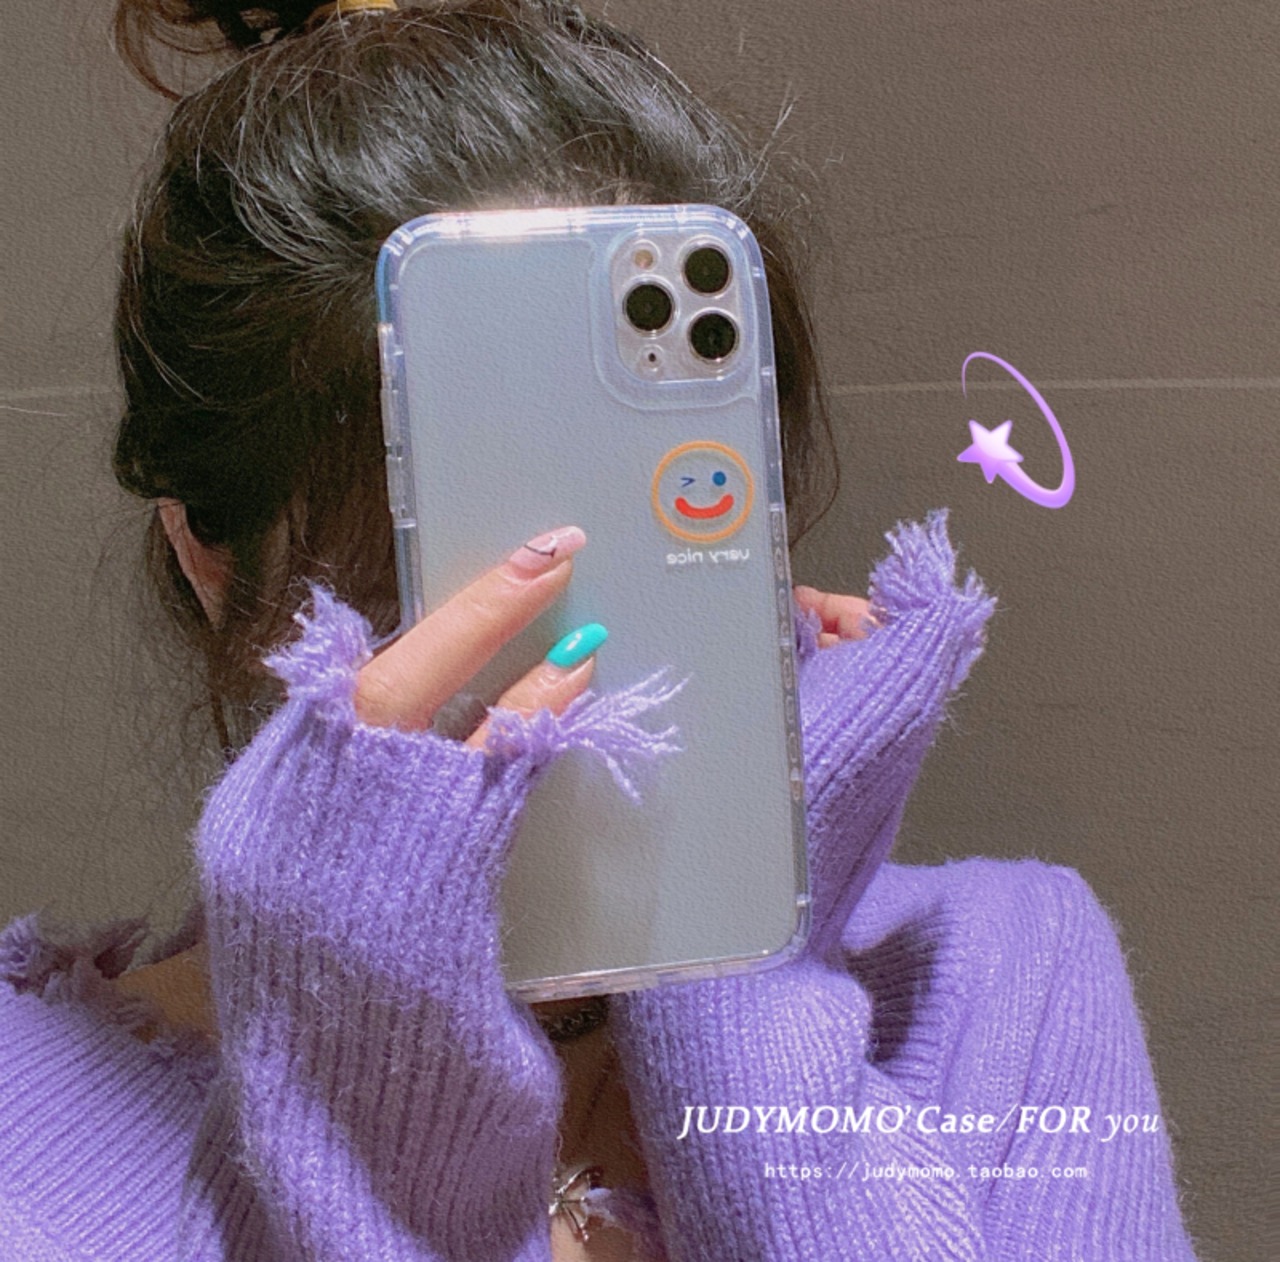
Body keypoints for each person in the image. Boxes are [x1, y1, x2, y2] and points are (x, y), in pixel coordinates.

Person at [0, 1, 1200, 1259]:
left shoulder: (1007, 976)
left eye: (630, 555)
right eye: (419, 581)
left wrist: (739, 983)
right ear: (210, 559)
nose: (547, 693)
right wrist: (364, 1106)